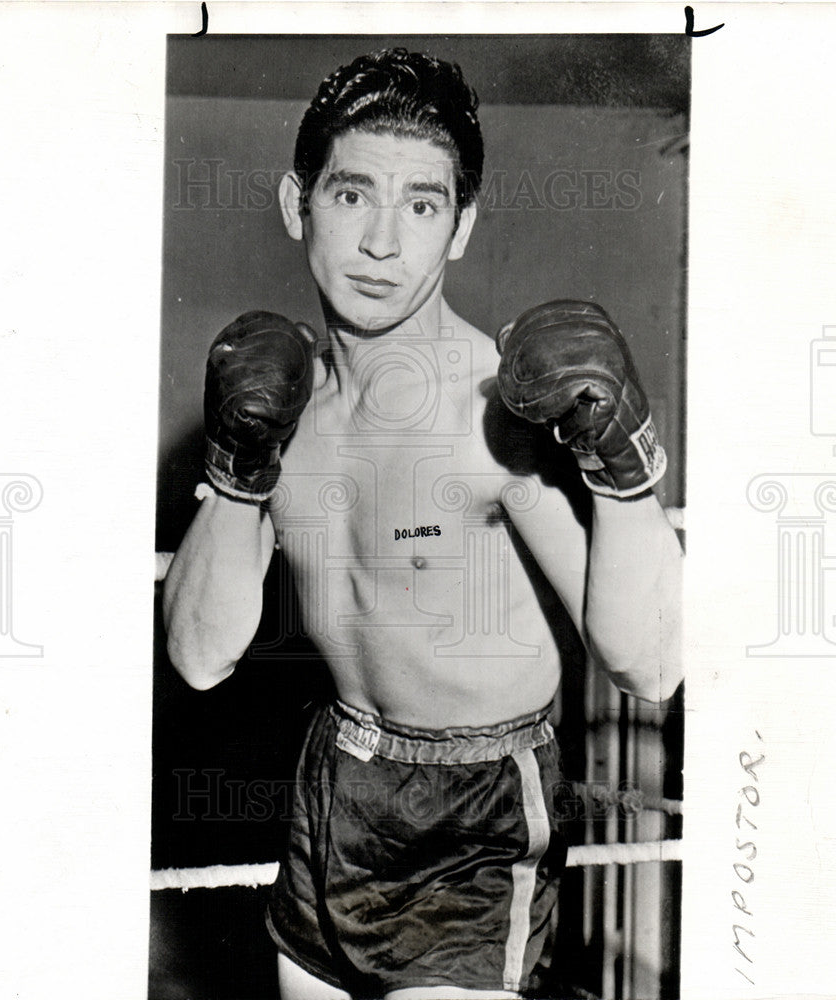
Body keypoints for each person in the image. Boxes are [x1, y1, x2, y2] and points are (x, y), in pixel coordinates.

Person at [163, 48, 682, 1000]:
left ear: (461, 228)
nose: (381, 244)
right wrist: (239, 473)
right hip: (336, 779)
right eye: (353, 195)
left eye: (423, 205)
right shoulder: (283, 403)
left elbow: (648, 669)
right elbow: (200, 656)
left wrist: (625, 475)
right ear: (296, 205)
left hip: (475, 818)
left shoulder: (497, 419)